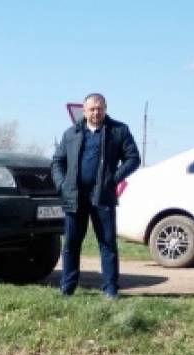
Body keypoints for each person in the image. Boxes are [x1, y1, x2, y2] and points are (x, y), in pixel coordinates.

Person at [51, 92, 141, 300]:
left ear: (105, 109)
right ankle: (68, 287)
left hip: (103, 196)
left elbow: (133, 158)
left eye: (99, 108)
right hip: (75, 196)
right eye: (92, 109)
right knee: (71, 243)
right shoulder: (71, 133)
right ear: (84, 111)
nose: (96, 112)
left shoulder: (118, 131)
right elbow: (57, 162)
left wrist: (113, 178)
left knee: (107, 243)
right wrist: (62, 185)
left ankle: (110, 288)